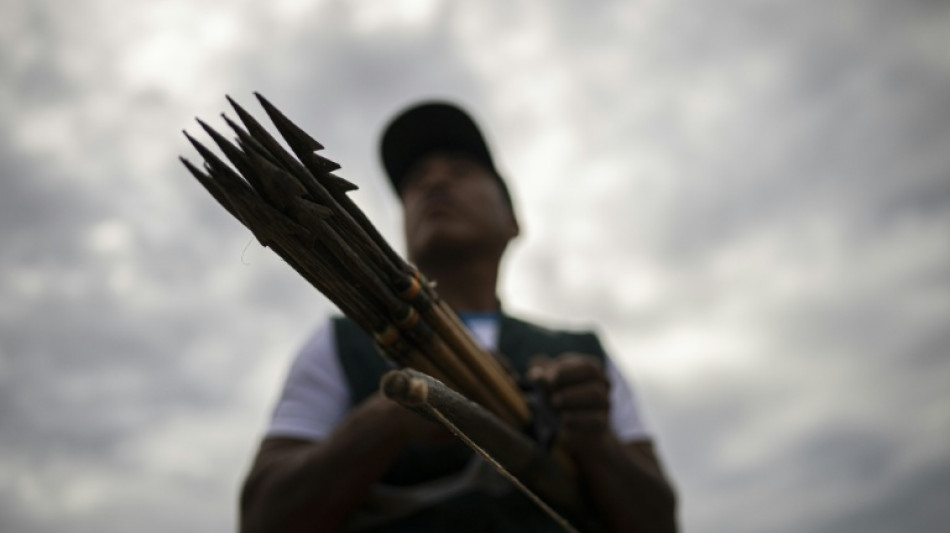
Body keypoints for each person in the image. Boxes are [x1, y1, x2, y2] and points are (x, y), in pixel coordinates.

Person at [239, 102, 678, 532]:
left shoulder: (582, 353)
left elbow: (661, 522)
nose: (434, 181)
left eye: (461, 171)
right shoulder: (341, 342)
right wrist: (391, 416)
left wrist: (595, 442)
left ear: (512, 220)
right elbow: (262, 519)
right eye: (415, 181)